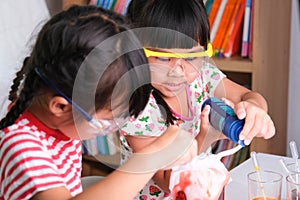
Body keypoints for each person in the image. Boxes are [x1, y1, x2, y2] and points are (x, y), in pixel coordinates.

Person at [0, 5, 199, 200]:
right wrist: (151, 156)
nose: (110, 129)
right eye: (104, 124)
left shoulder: (56, 119)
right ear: (60, 106)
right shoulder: (21, 147)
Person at [119, 0, 276, 199]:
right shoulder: (136, 105)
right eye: (164, 58)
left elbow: (250, 96)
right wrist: (206, 138)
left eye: (191, 57)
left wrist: (254, 108)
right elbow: (168, 182)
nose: (178, 70)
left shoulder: (202, 76)